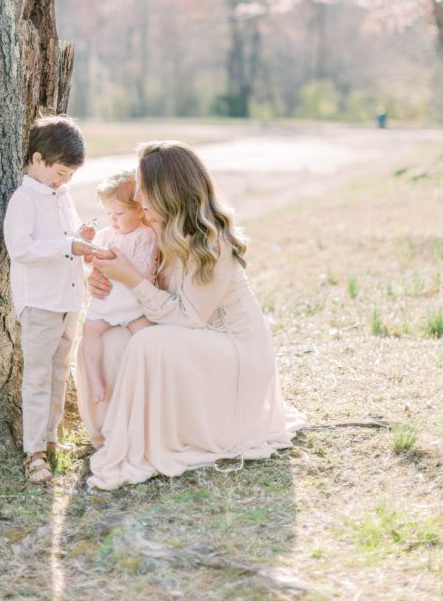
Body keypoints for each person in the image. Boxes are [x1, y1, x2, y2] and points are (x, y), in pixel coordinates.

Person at [78, 140, 306, 490]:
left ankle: (151, 438)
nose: (137, 198)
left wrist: (132, 279)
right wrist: (103, 282)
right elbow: (135, 282)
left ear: (167, 192)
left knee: (149, 342)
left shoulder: (212, 241)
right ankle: (116, 434)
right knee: (106, 338)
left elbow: (188, 318)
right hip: (185, 336)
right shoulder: (153, 231)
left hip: (232, 351)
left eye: (144, 190)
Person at [3, 115, 94, 484]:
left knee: (59, 373)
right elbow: (21, 248)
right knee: (38, 377)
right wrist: (66, 244)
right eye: (60, 172)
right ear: (38, 160)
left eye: (70, 176)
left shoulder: (62, 195)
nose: (64, 181)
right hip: (40, 303)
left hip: (68, 300)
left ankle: (52, 439)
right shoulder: (25, 199)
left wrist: (80, 235)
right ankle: (33, 452)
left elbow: (66, 239)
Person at [79, 170, 158, 405]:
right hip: (107, 303)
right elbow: (89, 264)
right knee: (90, 331)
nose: (112, 219)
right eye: (108, 213)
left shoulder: (145, 235)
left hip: (133, 304)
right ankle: (96, 381)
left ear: (138, 210)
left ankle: (147, 381)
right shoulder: (106, 234)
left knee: (146, 336)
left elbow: (143, 269)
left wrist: (114, 257)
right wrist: (87, 247)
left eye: (119, 213)